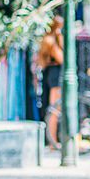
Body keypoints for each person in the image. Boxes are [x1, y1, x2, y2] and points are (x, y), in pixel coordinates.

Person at [35, 15, 63, 149]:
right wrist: (60, 38)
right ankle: (53, 141)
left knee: (52, 108)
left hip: (49, 73)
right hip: (55, 74)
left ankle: (52, 140)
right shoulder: (52, 41)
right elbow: (62, 58)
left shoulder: (45, 40)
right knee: (54, 109)